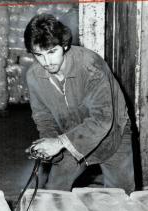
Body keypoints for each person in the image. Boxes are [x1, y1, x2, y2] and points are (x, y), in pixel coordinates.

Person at [24, 14, 135, 193]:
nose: (46, 62)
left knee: (122, 198)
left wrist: (59, 142)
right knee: (54, 192)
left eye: (52, 52)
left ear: (65, 45)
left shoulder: (90, 67)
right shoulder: (34, 76)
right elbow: (43, 116)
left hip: (113, 133)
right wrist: (50, 144)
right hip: (72, 136)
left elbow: (102, 119)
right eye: (39, 55)